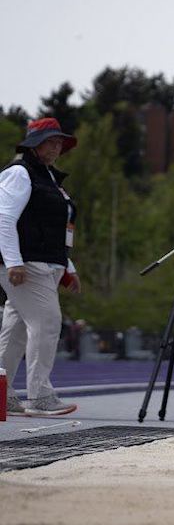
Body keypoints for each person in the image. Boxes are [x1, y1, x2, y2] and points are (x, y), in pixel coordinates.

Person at [0, 118, 82, 417]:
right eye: (51, 141)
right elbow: (4, 219)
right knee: (47, 323)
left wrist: (67, 266)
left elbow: (57, 229)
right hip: (27, 264)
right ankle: (39, 397)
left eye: (60, 142)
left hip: (45, 263)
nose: (57, 147)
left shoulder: (48, 178)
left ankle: (4, 395)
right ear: (34, 143)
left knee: (17, 331)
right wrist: (13, 262)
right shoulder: (20, 174)